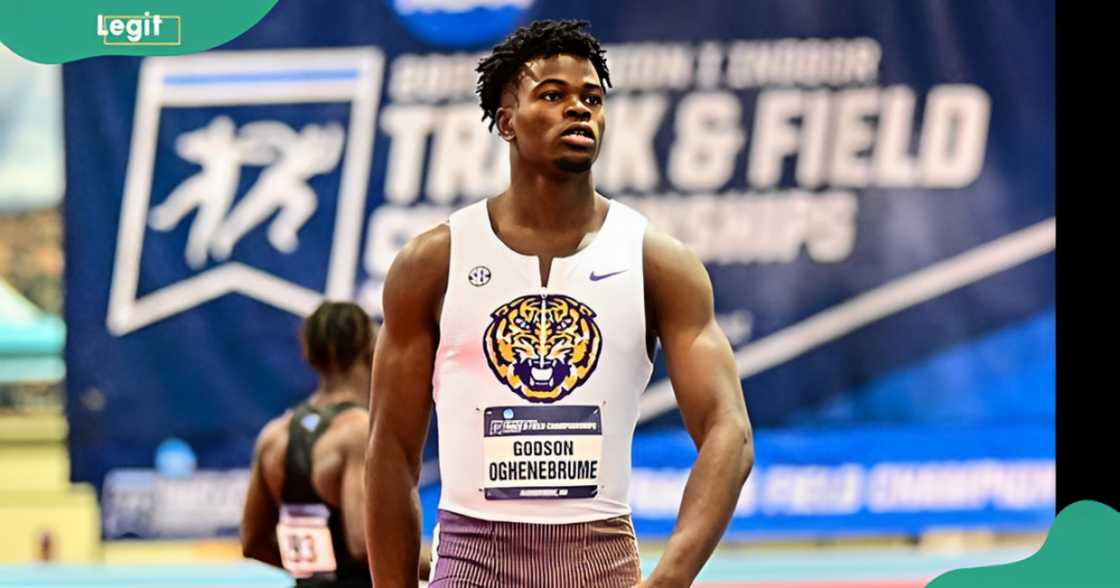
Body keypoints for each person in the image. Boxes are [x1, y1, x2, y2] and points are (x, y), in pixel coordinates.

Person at [365, 19, 754, 588]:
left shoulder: (659, 263)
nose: (579, 109)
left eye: (591, 98)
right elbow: (391, 453)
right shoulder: (432, 264)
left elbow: (730, 433)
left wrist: (669, 580)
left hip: (601, 565)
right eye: (553, 95)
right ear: (506, 122)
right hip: (471, 565)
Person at [242, 302, 378, 587]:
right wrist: (443, 562)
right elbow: (362, 545)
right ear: (371, 349)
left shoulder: (273, 436)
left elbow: (253, 542)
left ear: (309, 354)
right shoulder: (358, 431)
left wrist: (316, 573)